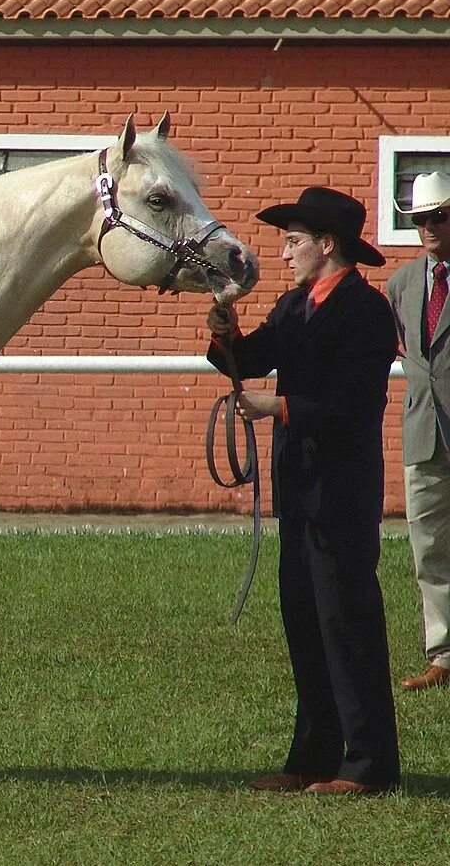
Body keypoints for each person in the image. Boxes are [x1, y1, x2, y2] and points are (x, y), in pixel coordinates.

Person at [206, 187, 401, 795]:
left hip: (341, 492)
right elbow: (248, 358)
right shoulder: (296, 306)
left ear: (327, 245)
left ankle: (369, 765)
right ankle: (313, 758)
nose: (285, 253)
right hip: (301, 489)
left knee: (347, 624)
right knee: (306, 622)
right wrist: (225, 335)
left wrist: (280, 407)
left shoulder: (365, 312)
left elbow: (354, 405)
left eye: (294, 242)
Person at [388, 171, 450, 691]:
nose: (428, 227)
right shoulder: (402, 283)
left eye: (439, 217)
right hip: (423, 430)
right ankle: (444, 654)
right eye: (420, 220)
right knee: (428, 546)